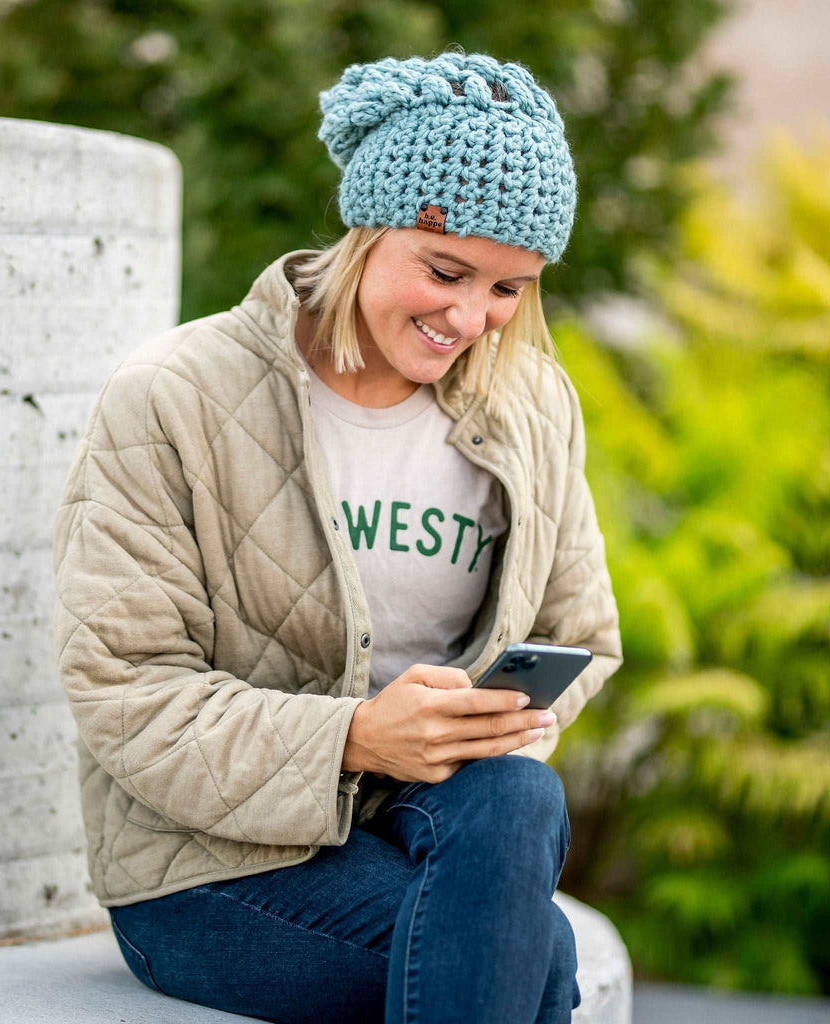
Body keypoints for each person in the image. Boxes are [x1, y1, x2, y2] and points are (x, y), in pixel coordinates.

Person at [53, 50, 622, 1024]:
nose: (469, 317)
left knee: (520, 797)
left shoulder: (530, 403)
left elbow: (582, 636)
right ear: (368, 229)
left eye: (509, 288)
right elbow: (126, 689)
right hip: (207, 868)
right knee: (538, 961)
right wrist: (356, 738)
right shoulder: (174, 395)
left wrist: (479, 726)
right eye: (445, 270)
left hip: (425, 823)